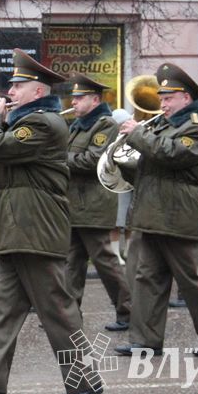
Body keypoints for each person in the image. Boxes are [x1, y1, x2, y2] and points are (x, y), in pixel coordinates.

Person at [0, 49, 100, 394]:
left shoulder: (43, 122)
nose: (10, 91)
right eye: (12, 85)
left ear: (38, 91)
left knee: (57, 309)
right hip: (15, 226)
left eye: (18, 85)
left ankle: (83, 380)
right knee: (4, 312)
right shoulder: (26, 120)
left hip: (35, 227)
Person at [113, 63, 198, 358]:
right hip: (153, 212)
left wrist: (137, 134)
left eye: (168, 98)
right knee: (147, 278)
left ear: (186, 98)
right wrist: (120, 163)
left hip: (177, 214)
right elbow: (151, 165)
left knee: (190, 278)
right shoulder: (164, 125)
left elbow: (173, 154)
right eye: (162, 98)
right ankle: (145, 341)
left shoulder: (195, 126)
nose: (162, 104)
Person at [65, 74, 132, 332]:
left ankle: (128, 312)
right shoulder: (78, 125)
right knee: (73, 261)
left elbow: (93, 160)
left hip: (94, 203)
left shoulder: (105, 125)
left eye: (79, 98)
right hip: (75, 203)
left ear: (94, 99)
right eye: (74, 97)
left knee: (105, 261)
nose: (74, 101)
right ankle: (69, 315)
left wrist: (59, 157)